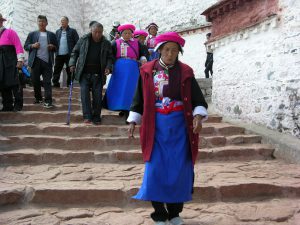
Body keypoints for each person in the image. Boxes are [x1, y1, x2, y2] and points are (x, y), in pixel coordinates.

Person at [127, 32, 208, 225]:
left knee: (180, 169)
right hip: (155, 128)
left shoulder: (186, 72)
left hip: (180, 128)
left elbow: (197, 99)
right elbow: (138, 98)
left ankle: (174, 213)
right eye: (166, 50)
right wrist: (133, 120)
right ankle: (159, 214)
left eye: (174, 50)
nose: (170, 54)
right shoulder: (147, 70)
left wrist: (198, 116)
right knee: (155, 169)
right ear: (159, 50)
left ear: (179, 52)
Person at [69, 22, 113, 125]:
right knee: (85, 95)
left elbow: (110, 57)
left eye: (100, 32)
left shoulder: (106, 43)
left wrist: (108, 67)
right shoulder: (83, 40)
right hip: (84, 73)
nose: (97, 34)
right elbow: (74, 52)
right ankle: (87, 117)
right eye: (95, 32)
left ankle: (96, 116)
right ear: (91, 31)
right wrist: (72, 64)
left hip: (98, 74)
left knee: (97, 96)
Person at [103, 23, 148, 121]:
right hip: (120, 68)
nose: (127, 35)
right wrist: (110, 67)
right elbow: (110, 56)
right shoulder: (115, 43)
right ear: (121, 33)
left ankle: (130, 108)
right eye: (125, 33)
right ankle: (119, 106)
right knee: (120, 88)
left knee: (131, 88)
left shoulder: (137, 43)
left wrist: (143, 58)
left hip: (133, 68)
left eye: (129, 33)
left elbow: (142, 53)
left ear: (132, 34)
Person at [24, 15, 57, 108]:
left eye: (43, 21)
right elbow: (26, 46)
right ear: (37, 23)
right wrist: (33, 46)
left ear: (46, 23)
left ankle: (48, 101)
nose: (41, 23)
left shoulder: (51, 35)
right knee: (35, 81)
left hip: (47, 61)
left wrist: (52, 47)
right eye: (39, 21)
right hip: (35, 61)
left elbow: (56, 47)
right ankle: (38, 98)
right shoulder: (32, 34)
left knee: (47, 82)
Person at [0, 13, 24, 112]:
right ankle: (7, 105)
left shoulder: (10, 32)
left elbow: (18, 46)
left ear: (1, 21)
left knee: (15, 83)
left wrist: (20, 60)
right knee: (3, 83)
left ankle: (18, 105)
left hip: (11, 62)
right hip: (0, 64)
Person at [52, 16, 79, 88]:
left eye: (63, 21)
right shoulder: (58, 31)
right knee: (57, 69)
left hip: (69, 55)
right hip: (59, 54)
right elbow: (55, 42)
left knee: (70, 70)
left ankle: (69, 84)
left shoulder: (73, 31)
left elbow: (77, 43)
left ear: (67, 22)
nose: (62, 22)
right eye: (61, 21)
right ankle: (55, 83)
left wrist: (75, 53)